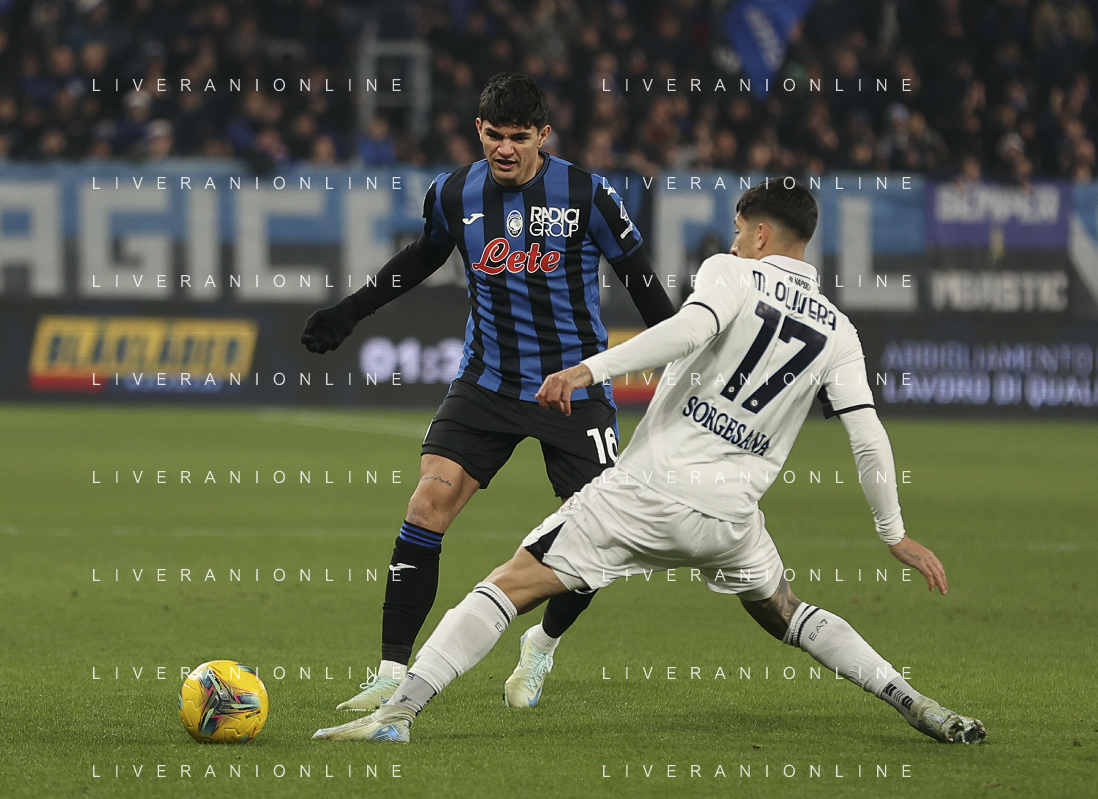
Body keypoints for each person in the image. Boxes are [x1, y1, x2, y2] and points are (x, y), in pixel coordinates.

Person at [312, 178, 987, 745]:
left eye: (737, 230)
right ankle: (914, 700)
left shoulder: (730, 272)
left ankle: (397, 713)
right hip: (730, 520)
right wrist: (893, 533)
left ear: (758, 234)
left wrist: (587, 368)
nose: (732, 241)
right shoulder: (840, 330)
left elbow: (686, 330)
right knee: (785, 610)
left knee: (507, 585)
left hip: (644, 496)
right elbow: (867, 435)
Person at [300, 73, 675, 711]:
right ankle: (390, 674)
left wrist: (682, 362)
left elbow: (643, 286)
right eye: (494, 135)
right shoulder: (453, 192)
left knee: (598, 537)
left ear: (543, 136)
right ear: (478, 130)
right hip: (487, 381)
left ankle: (542, 644)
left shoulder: (587, 195)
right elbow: (421, 257)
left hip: (571, 387)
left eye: (519, 138)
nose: (505, 148)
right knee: (427, 504)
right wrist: (350, 311)